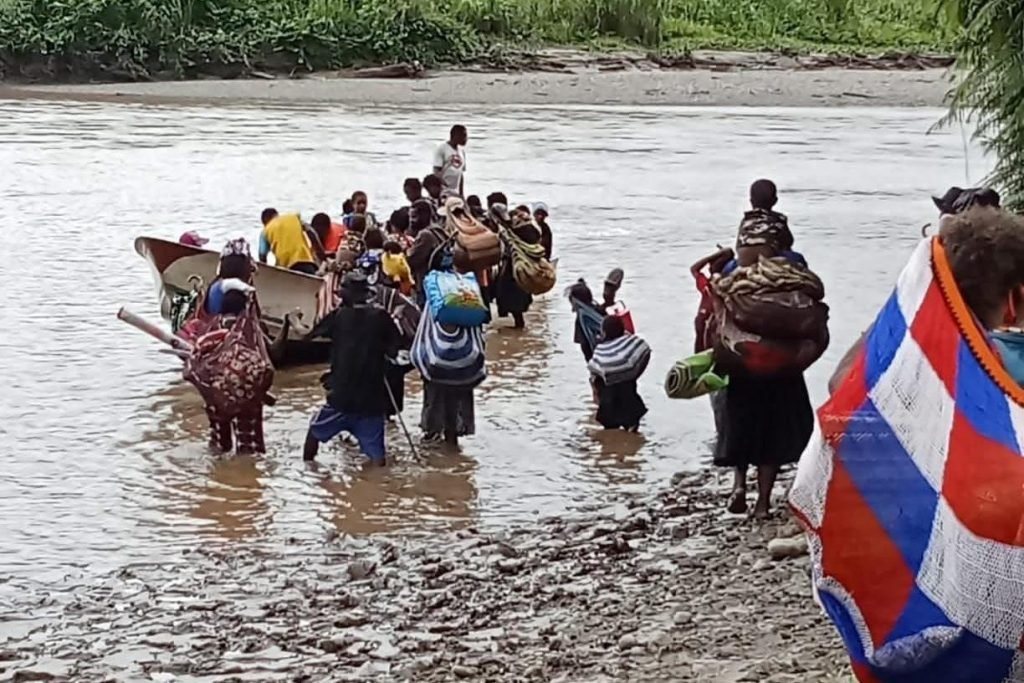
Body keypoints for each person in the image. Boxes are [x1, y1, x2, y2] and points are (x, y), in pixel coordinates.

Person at [302, 271, 401, 464]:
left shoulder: (338, 316)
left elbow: (309, 334)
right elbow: (395, 350)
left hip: (341, 397)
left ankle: (309, 473)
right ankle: (379, 487)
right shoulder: (381, 316)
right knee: (377, 458)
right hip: (371, 401)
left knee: (314, 433)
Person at [588, 315, 649, 431]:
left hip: (608, 400)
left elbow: (594, 375)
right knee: (632, 427)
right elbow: (645, 351)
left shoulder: (601, 351)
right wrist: (635, 374)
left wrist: (595, 394)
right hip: (629, 396)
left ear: (604, 333)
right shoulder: (631, 345)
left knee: (610, 432)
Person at [495, 210, 541, 329]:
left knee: (509, 297)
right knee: (518, 299)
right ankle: (518, 324)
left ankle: (517, 325)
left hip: (514, 270)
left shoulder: (515, 233)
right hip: (524, 270)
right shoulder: (532, 231)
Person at [735, 179, 794, 267]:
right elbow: (788, 242)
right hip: (770, 260)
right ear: (775, 201)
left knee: (728, 267)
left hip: (744, 263)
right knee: (798, 258)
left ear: (751, 201)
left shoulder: (746, 220)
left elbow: (738, 246)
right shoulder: (779, 219)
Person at [259, 212, 325, 274]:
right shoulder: (294, 218)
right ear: (276, 215)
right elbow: (311, 233)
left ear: (265, 221)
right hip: (305, 260)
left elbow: (262, 256)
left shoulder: (265, 231)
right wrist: (322, 255)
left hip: (285, 268)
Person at [433, 124, 467, 197]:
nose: (466, 139)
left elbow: (460, 174)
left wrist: (462, 194)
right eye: (464, 136)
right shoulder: (442, 149)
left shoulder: (461, 152)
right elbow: (436, 172)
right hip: (444, 191)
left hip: (455, 192)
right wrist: (444, 188)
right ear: (456, 135)